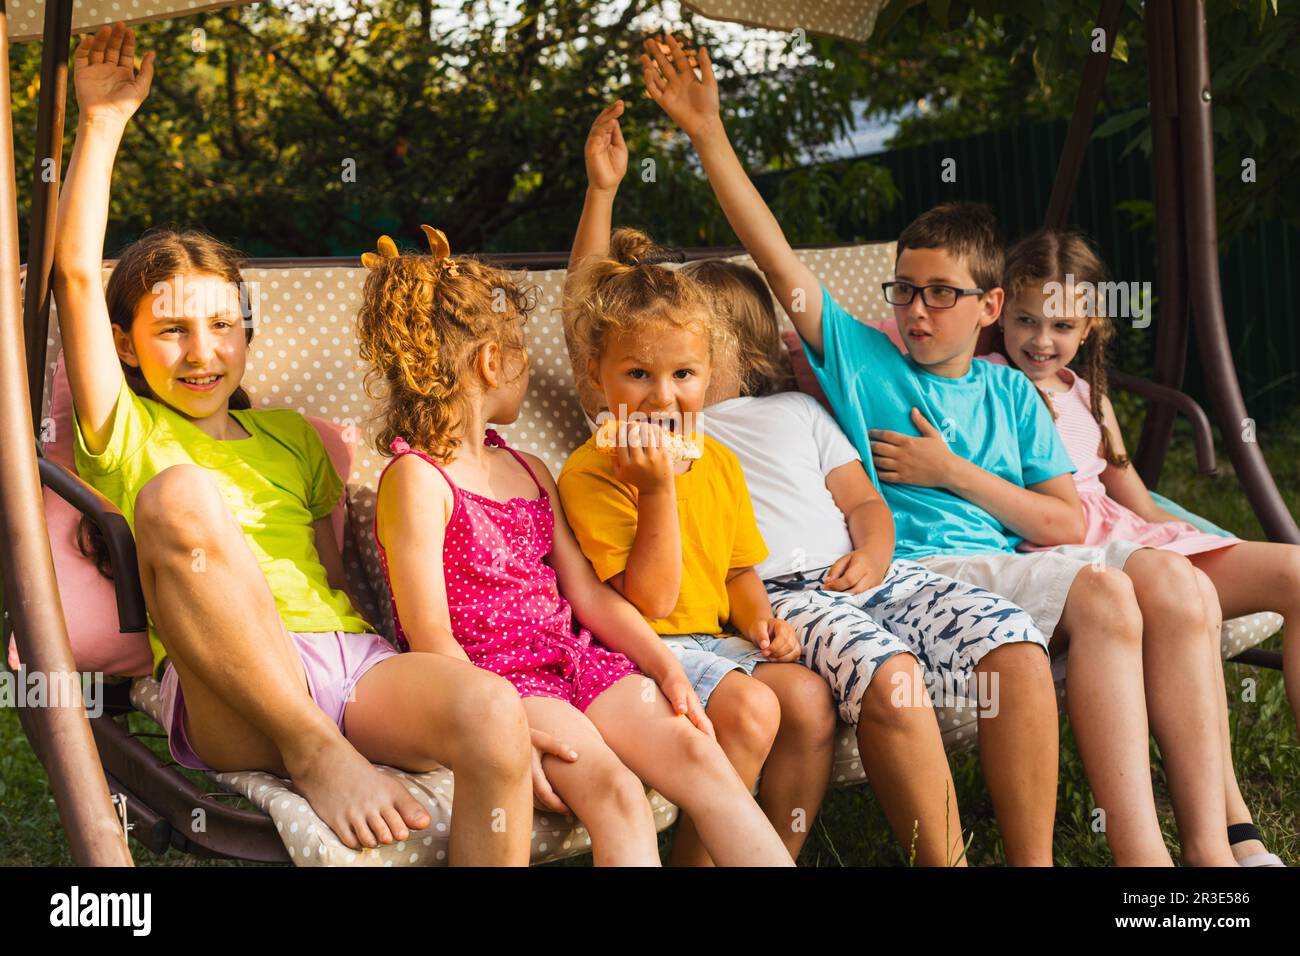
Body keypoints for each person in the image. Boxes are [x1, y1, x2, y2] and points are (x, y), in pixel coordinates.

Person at [55, 23, 537, 862]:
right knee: (178, 493)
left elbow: (336, 573)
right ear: (127, 345)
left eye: (219, 326)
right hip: (232, 687)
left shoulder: (295, 439)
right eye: (170, 332)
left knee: (493, 714)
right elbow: (71, 276)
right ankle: (317, 755)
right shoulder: (124, 432)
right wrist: (100, 125)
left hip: (349, 661)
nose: (202, 352)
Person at [360, 226, 793, 866]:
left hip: (576, 658)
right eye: (523, 354)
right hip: (501, 681)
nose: (529, 370)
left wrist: (662, 664)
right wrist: (509, 736)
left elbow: (586, 594)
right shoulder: (417, 479)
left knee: (700, 758)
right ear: (489, 361)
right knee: (617, 792)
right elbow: (432, 641)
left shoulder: (530, 469)